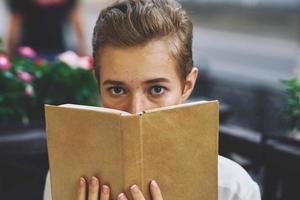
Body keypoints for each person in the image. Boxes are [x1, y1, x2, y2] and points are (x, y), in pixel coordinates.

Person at [43, 0, 261, 199]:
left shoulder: (232, 187)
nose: (135, 110)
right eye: (117, 90)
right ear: (98, 84)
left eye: (156, 89)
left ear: (187, 86)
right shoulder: (65, 180)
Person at [6, 0, 86, 60]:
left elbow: (14, 31)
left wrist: (9, 55)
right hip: (59, 52)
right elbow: (77, 26)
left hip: (28, 53)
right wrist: (83, 52)